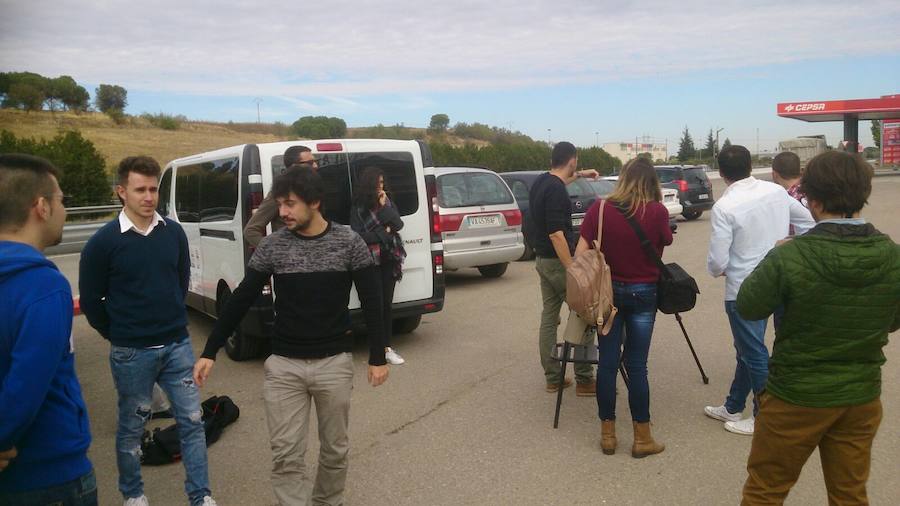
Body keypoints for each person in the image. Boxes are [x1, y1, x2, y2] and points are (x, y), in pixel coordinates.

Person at [193, 167, 389, 506]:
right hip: (284, 367)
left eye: (290, 204)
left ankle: (328, 501)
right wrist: (211, 348)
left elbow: (373, 301)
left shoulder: (348, 242)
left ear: (315, 202)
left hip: (333, 364)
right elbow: (242, 297)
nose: (281, 212)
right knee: (286, 455)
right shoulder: (273, 246)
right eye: (279, 204)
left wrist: (377, 356)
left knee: (335, 450)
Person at [736, 151, 900, 505]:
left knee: (765, 490)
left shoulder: (790, 255)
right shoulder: (892, 255)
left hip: (796, 395)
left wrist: (773, 254)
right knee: (850, 493)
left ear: (812, 199)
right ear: (863, 193)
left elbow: (748, 306)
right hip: (860, 396)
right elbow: (894, 318)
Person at [79, 156, 216, 506]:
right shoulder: (103, 243)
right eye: (140, 189)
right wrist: (121, 334)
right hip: (131, 352)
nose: (148, 196)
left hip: (177, 345)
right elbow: (93, 302)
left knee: (192, 420)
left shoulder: (173, 233)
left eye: (154, 189)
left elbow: (180, 278)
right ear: (121, 192)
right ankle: (133, 494)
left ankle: (200, 495)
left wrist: (171, 318)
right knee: (131, 427)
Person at [0, 154, 96, 505]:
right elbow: (26, 386)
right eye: (61, 200)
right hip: (50, 474)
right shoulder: (43, 286)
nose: (64, 210)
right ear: (40, 206)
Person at [704, 145, 815, 436]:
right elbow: (809, 223)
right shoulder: (776, 192)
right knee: (747, 350)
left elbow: (717, 262)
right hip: (779, 281)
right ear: (751, 165)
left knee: (753, 352)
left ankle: (765, 415)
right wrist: (790, 247)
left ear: (723, 173)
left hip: (744, 289)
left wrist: (723, 268)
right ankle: (733, 405)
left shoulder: (725, 207)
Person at [574, 157, 672, 458]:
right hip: (644, 293)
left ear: (623, 179)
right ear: (651, 182)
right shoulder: (658, 212)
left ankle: (608, 435)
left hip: (608, 296)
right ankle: (642, 437)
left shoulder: (599, 209)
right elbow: (663, 243)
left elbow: (581, 253)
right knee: (637, 365)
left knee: (607, 362)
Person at [529, 141, 599, 396]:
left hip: (542, 261)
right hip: (558, 262)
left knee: (549, 316)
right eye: (577, 164)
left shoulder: (542, 182)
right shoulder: (557, 191)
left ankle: (553, 376)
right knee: (584, 313)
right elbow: (557, 234)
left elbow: (561, 181)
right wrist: (573, 269)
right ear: (572, 160)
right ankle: (584, 379)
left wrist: (583, 174)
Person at [350, 167, 407, 365]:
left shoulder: (387, 203)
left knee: (386, 305)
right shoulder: (358, 208)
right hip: (368, 261)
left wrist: (384, 208)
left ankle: (387, 348)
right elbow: (358, 236)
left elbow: (398, 225)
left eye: (382, 183)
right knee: (374, 306)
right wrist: (384, 233)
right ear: (368, 185)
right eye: (377, 184)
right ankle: (377, 347)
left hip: (389, 258)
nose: (380, 187)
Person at [244, 145, 319, 247]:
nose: (315, 166)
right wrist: (276, 253)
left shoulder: (316, 188)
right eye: (310, 163)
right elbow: (251, 231)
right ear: (294, 166)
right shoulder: (280, 193)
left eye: (315, 161)